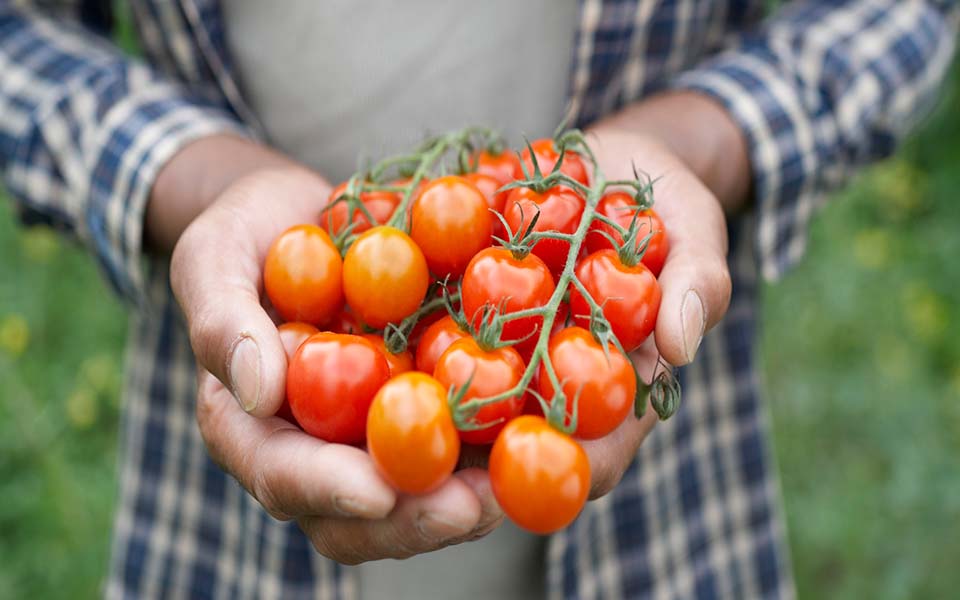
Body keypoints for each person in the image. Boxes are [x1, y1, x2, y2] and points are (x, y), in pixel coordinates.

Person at [1, 1, 956, 598]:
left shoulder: (531, 302)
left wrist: (702, 138)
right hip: (221, 516)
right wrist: (197, 176)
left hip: (669, 531)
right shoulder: (443, 296)